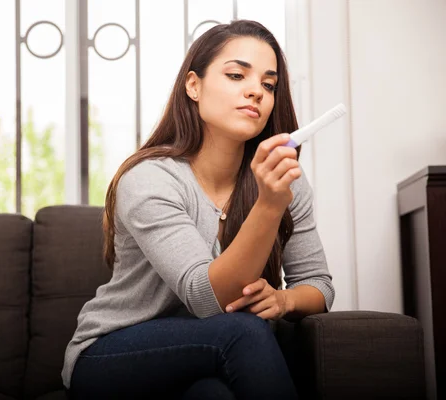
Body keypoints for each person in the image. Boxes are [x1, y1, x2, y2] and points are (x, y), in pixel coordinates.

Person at [62, 19, 334, 399]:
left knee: (214, 394)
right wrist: (269, 206)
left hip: (211, 354)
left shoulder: (284, 179)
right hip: (114, 354)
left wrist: (284, 299)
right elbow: (209, 299)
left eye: (268, 85)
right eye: (237, 75)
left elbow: (320, 286)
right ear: (194, 85)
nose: (255, 91)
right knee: (242, 330)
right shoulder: (149, 178)